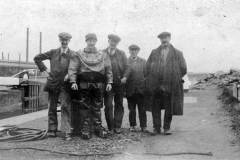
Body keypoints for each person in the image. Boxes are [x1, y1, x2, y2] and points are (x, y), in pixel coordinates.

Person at [68, 33, 113, 139]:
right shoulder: (78, 54)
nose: (91, 43)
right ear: (86, 41)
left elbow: (108, 69)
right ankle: (86, 128)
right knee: (84, 106)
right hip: (84, 83)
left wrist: (110, 82)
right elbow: (73, 68)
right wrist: (73, 81)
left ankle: (98, 127)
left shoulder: (103, 54)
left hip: (98, 83)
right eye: (89, 40)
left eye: (93, 40)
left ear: (96, 41)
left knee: (97, 106)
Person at [34, 32, 74, 140]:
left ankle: (66, 131)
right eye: (62, 40)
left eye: (66, 40)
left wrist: (69, 74)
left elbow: (76, 67)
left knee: (65, 107)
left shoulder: (73, 54)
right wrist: (45, 70)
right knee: (52, 107)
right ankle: (52, 130)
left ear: (69, 41)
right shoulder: (53, 52)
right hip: (53, 83)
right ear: (60, 40)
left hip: (65, 85)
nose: (64, 42)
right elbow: (37, 58)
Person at [146, 32, 187, 135]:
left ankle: (166, 128)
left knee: (169, 107)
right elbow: (147, 67)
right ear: (160, 40)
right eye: (162, 38)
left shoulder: (178, 53)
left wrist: (174, 78)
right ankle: (156, 128)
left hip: (170, 85)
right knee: (155, 107)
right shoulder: (154, 52)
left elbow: (183, 69)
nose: (164, 40)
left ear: (169, 38)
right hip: (156, 85)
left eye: (166, 37)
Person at [103, 34, 129, 134]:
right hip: (107, 84)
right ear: (108, 41)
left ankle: (117, 126)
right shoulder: (102, 53)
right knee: (108, 105)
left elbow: (128, 67)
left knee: (119, 104)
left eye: (115, 42)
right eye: (112, 41)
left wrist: (125, 77)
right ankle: (110, 127)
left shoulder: (121, 53)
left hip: (119, 84)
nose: (113, 43)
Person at [126, 44, 147, 132]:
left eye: (135, 50)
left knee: (142, 109)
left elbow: (146, 75)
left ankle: (143, 126)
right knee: (132, 109)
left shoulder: (143, 61)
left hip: (141, 90)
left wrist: (145, 87)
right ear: (129, 51)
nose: (133, 52)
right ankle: (132, 125)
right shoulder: (126, 61)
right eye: (132, 50)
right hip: (130, 90)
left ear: (138, 51)